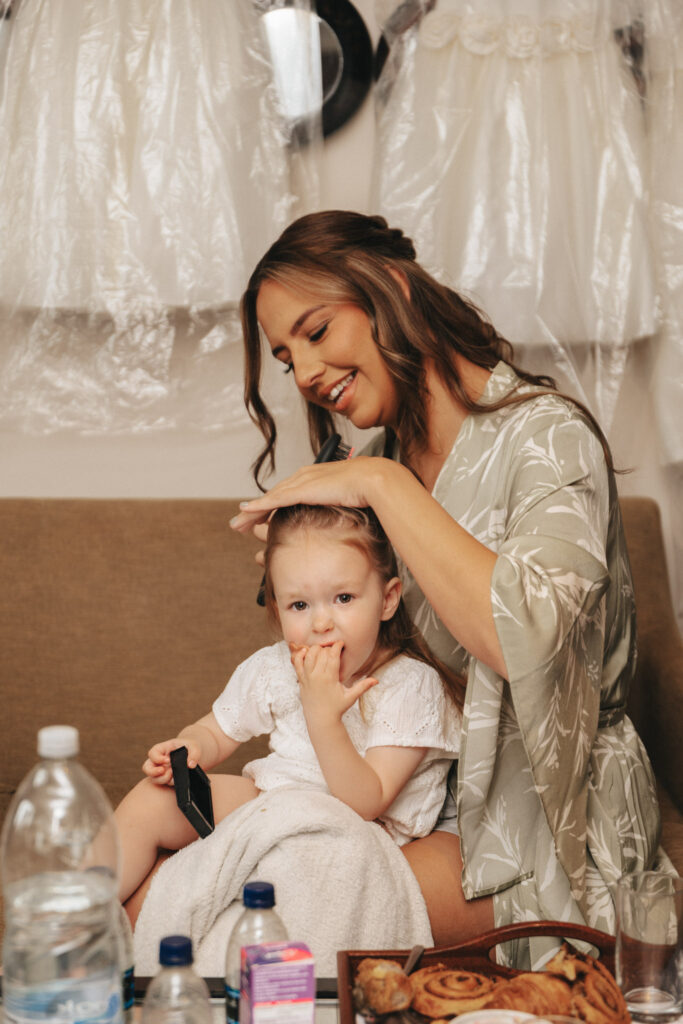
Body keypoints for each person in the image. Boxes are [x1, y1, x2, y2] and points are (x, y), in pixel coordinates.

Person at [229, 209, 675, 967]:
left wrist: (379, 482)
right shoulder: (380, 457)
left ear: (391, 288)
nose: (302, 374)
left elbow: (520, 640)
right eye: (283, 358)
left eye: (314, 331)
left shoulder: (544, 434)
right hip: (406, 795)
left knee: (259, 921)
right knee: (187, 875)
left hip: (541, 814)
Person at [115, 502, 463, 905]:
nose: (321, 623)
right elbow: (216, 729)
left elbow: (365, 803)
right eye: (300, 605)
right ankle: (75, 917)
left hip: (356, 837)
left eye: (344, 598)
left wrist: (322, 713)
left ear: (387, 599)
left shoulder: (409, 685)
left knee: (272, 876)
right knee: (152, 801)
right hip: (272, 803)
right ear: (279, 611)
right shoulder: (277, 666)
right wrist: (190, 746)